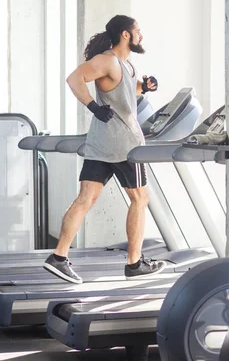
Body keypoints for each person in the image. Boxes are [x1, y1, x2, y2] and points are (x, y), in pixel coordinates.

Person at [43, 15, 166, 284]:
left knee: (85, 198)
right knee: (140, 199)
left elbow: (121, 92)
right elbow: (75, 79)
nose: (141, 36)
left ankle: (59, 257)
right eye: (138, 31)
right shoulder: (108, 60)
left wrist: (143, 87)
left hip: (102, 143)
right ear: (125, 34)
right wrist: (92, 106)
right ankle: (134, 263)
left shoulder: (124, 65)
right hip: (124, 145)